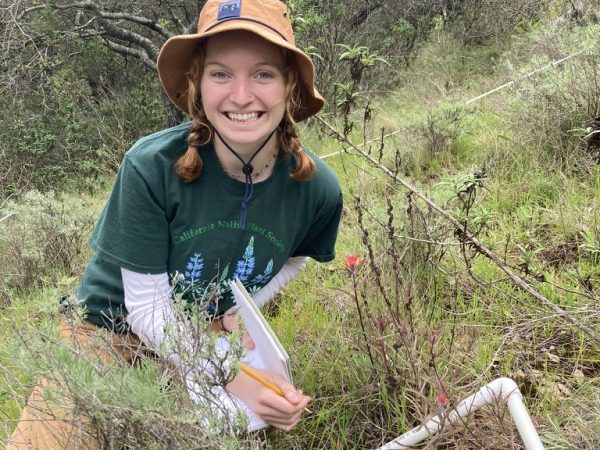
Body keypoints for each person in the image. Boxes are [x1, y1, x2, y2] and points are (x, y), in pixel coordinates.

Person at [8, 0, 342, 447]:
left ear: (290, 86)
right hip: (109, 329)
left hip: (203, 329)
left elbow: (294, 259)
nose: (241, 95)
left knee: (242, 425)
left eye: (262, 73)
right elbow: (147, 308)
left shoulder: (317, 189)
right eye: (221, 74)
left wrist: (236, 315)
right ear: (198, 86)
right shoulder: (151, 166)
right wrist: (231, 376)